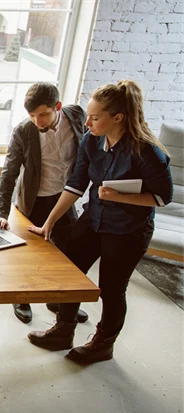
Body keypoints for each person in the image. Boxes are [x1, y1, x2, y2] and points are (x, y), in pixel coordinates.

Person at [27, 80, 173, 364]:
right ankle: (63, 331)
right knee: (71, 275)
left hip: (129, 231)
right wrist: (49, 223)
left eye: (95, 118)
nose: (88, 122)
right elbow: (76, 184)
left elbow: (162, 197)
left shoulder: (147, 152)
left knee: (111, 288)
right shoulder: (91, 140)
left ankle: (103, 345)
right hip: (93, 218)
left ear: (117, 118)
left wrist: (120, 196)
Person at [0, 82, 89, 324]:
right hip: (34, 200)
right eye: (32, 115)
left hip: (65, 197)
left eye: (43, 114)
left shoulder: (77, 115)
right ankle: (21, 297)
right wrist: (1, 212)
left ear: (58, 106)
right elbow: (9, 173)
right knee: (26, 255)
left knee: (68, 254)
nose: (38, 121)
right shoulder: (23, 131)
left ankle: (59, 301)